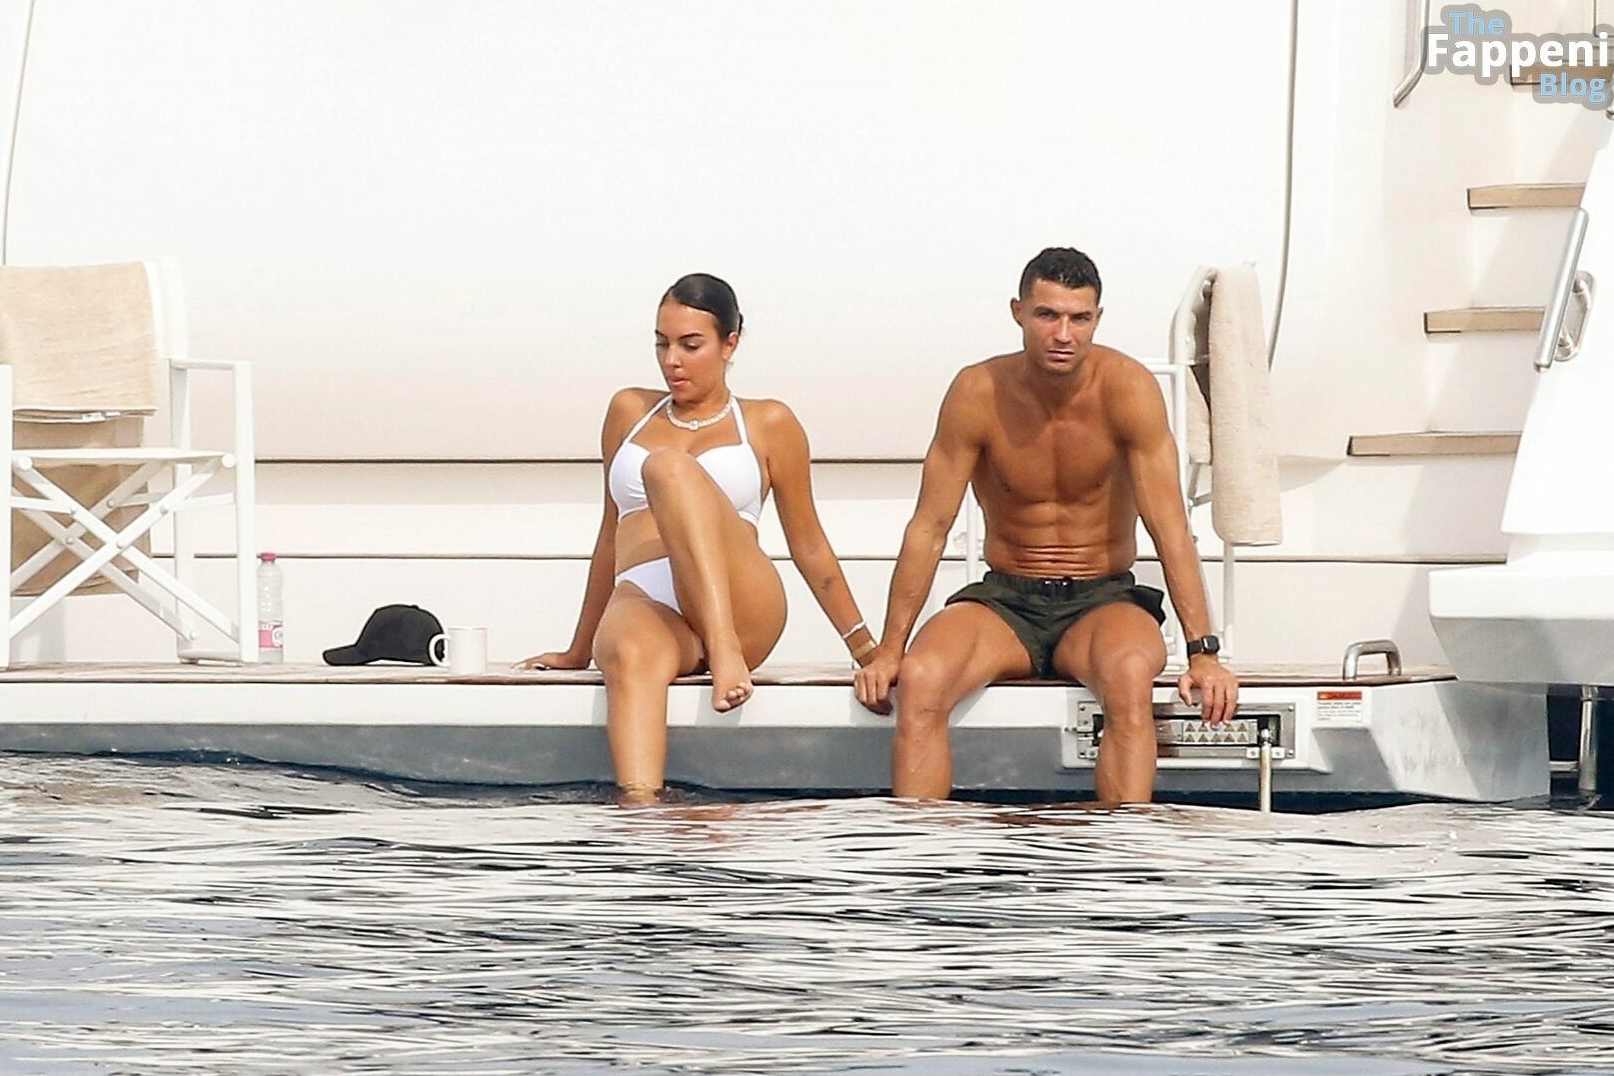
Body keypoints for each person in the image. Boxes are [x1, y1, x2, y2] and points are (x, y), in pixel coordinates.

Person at [853, 247, 1239, 803]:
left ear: (1098, 319)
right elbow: (929, 526)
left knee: (1131, 675)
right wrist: (891, 648)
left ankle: (1122, 848)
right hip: (1006, 603)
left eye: (1079, 319)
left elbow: (1170, 527)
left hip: (1102, 600)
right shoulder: (978, 391)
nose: (1063, 334)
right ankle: (922, 847)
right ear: (1018, 312)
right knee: (921, 677)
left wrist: (1204, 653)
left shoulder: (1126, 388)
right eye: (1047, 315)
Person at [520, 274, 874, 805]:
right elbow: (609, 534)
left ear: (730, 344)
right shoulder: (628, 412)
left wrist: (867, 650)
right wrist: (577, 650)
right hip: (650, 600)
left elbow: (810, 545)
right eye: (661, 344)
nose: (672, 362)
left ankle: (722, 647)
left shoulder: (768, 422)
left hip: (742, 604)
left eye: (690, 345)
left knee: (668, 470)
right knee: (627, 652)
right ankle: (642, 818)